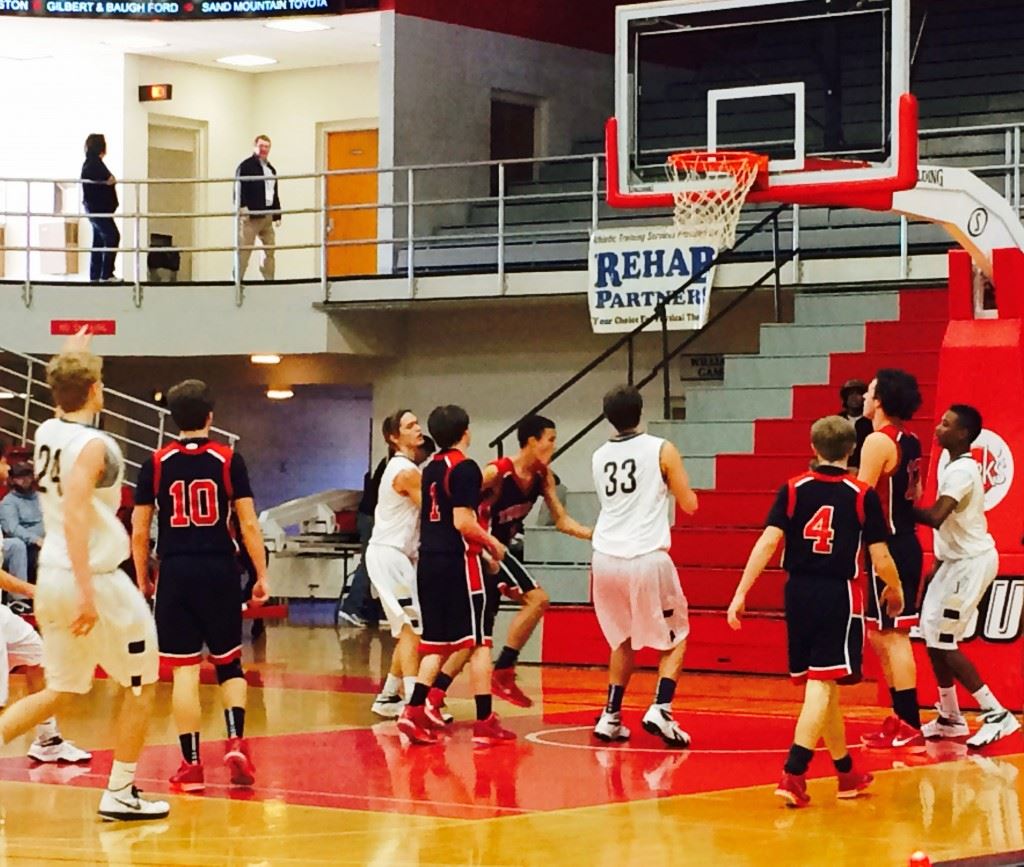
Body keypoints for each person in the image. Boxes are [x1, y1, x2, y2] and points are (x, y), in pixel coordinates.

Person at [0, 330, 168, 821]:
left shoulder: (47, 431)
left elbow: (68, 385)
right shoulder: (95, 444)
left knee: (64, 688)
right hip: (90, 576)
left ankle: (121, 790)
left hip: (51, 573)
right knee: (141, 682)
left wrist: (75, 351)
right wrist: (88, 592)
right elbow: (75, 513)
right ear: (97, 390)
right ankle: (121, 790)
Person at [728, 415, 903, 807]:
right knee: (822, 685)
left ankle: (845, 773)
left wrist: (741, 592)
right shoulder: (861, 494)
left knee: (825, 686)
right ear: (851, 450)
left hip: (797, 592)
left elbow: (767, 543)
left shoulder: (792, 489)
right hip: (837, 594)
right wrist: (896, 587)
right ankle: (794, 772)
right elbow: (880, 554)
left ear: (813, 448)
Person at [131, 379, 269, 792]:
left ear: (173, 418)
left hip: (176, 571)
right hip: (218, 569)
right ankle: (235, 739)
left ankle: (191, 765)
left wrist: (142, 579)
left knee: (185, 672)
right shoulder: (229, 460)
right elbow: (247, 522)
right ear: (211, 415)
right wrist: (262, 575)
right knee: (229, 665)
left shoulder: (156, 463)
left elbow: (139, 529)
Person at [397, 405, 514, 747]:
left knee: (436, 643)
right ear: (466, 432)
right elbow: (463, 522)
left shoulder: (430, 467)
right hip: (458, 562)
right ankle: (485, 720)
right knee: (478, 642)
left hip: (428, 562)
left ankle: (413, 709)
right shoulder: (465, 468)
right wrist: (493, 545)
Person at [590, 385, 699, 748]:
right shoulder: (661, 448)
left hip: (605, 558)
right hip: (644, 555)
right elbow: (689, 504)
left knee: (622, 639)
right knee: (677, 636)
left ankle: (610, 715)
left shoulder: (598, 455)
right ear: (641, 410)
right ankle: (661, 708)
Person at [913, 405, 1021, 748]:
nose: (939, 426)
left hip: (970, 564)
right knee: (932, 638)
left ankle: (997, 714)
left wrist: (895, 511)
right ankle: (950, 717)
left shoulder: (962, 471)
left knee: (945, 641)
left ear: (962, 434)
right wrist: (936, 566)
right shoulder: (951, 463)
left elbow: (937, 516)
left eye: (947, 424)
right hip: (953, 562)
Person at [479, 415, 592, 707]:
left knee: (477, 638)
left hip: (501, 551)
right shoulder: (496, 472)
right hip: (484, 548)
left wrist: (597, 535)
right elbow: (458, 503)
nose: (554, 445)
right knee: (537, 600)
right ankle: (503, 671)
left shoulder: (543, 477)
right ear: (532, 441)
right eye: (550, 439)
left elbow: (562, 521)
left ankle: (430, 697)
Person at [856, 369, 925, 750]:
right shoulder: (910, 440)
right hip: (903, 542)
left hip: (890, 546)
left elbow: (861, 499)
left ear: (880, 399)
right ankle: (899, 717)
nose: (864, 397)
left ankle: (910, 721)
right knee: (880, 632)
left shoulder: (876, 442)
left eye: (868, 391)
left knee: (894, 635)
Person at [366, 410, 432, 718]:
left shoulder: (405, 467)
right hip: (390, 555)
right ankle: (412, 704)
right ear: (394, 437)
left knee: (408, 626)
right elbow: (435, 512)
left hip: (394, 555)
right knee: (411, 627)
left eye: (417, 423)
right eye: (409, 425)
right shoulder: (405, 471)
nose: (417, 428)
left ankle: (389, 695)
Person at [338, 454, 388, 628]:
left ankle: (365, 607)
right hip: (371, 517)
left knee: (373, 563)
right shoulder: (395, 465)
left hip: (370, 515)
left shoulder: (388, 462)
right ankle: (352, 607)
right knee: (370, 563)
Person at [235, 134, 281, 281]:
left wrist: (277, 214)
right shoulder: (246, 166)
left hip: (267, 214)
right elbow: (239, 187)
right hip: (251, 215)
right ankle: (236, 281)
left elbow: (274, 192)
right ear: (255, 146)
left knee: (269, 250)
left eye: (267, 147)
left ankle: (269, 281)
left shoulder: (271, 169)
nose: (264, 149)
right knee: (244, 251)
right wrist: (242, 207)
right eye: (261, 146)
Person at [80, 133, 120, 283]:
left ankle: (96, 276)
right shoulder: (94, 163)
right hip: (98, 210)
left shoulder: (90, 162)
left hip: (95, 209)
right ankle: (106, 274)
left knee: (98, 240)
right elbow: (108, 178)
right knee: (112, 236)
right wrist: (109, 180)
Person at [1, 462, 44, 584]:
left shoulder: (40, 496)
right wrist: (35, 539)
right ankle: (22, 599)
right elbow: (13, 529)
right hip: (30, 547)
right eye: (20, 477)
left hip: (50, 540)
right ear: (13, 480)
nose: (25, 480)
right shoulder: (9, 502)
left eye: (28, 475)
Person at [837, 379, 873, 470]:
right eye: (851, 394)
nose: (854, 397)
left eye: (858, 394)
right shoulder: (837, 420)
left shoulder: (871, 422)